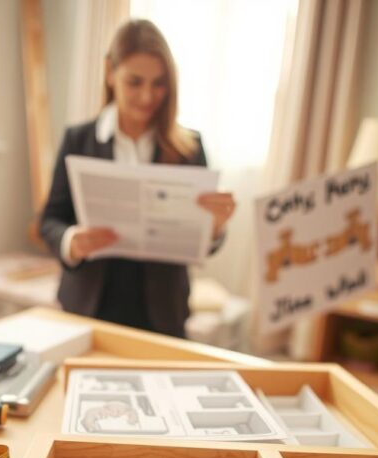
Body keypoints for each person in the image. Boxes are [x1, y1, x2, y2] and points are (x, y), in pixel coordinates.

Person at [39, 19, 236, 338]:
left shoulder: (189, 148)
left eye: (159, 84)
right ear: (109, 72)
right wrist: (71, 241)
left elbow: (208, 243)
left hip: (162, 312)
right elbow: (50, 219)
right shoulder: (78, 140)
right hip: (88, 306)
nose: (147, 97)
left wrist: (215, 228)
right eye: (135, 82)